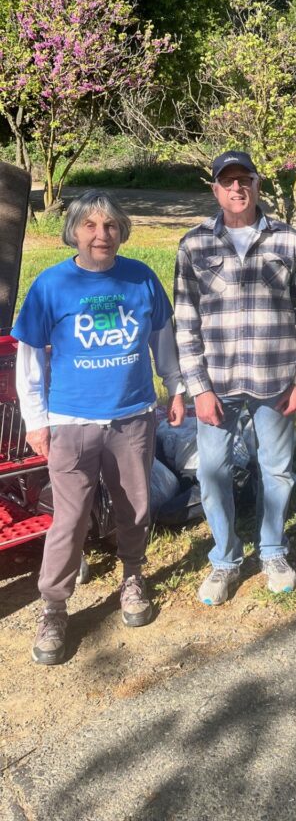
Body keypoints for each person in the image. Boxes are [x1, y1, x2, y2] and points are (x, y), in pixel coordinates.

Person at [13, 191, 185, 665]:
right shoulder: (51, 285)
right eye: (90, 225)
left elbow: (161, 339)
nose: (101, 235)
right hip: (71, 421)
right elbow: (29, 360)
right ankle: (53, 604)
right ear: (74, 231)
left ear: (121, 231)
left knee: (135, 504)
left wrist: (175, 387)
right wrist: (36, 420)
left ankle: (132, 576)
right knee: (69, 518)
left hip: (132, 415)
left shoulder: (141, 279)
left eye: (110, 226)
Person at [174, 150, 296, 604]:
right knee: (212, 473)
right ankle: (226, 558)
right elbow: (185, 321)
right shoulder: (194, 245)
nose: (236, 188)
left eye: (244, 180)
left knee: (278, 471)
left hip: (275, 379)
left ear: (256, 184)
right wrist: (199, 388)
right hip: (218, 384)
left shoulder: (289, 243)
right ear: (215, 189)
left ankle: (272, 549)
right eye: (226, 181)